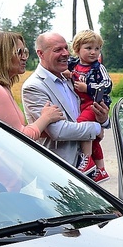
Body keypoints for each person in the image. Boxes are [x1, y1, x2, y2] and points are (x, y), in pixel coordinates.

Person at [0, 32, 64, 207]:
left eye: (26, 52)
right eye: (19, 52)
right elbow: (20, 136)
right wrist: (46, 117)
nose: (24, 58)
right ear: (1, 55)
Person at [22, 32, 110, 169]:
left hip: (84, 169)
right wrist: (96, 128)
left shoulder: (70, 78)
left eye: (65, 48)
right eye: (57, 50)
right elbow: (59, 131)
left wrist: (103, 119)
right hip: (57, 169)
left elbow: (84, 112)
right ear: (40, 54)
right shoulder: (34, 86)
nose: (65, 54)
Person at [67, 29, 113, 182]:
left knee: (82, 127)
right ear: (77, 49)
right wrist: (67, 74)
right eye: (88, 48)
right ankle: (100, 170)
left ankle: (86, 161)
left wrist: (88, 88)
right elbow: (65, 73)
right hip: (81, 104)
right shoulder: (72, 64)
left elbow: (107, 85)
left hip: (94, 104)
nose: (94, 52)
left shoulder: (98, 68)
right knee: (93, 140)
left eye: (97, 49)